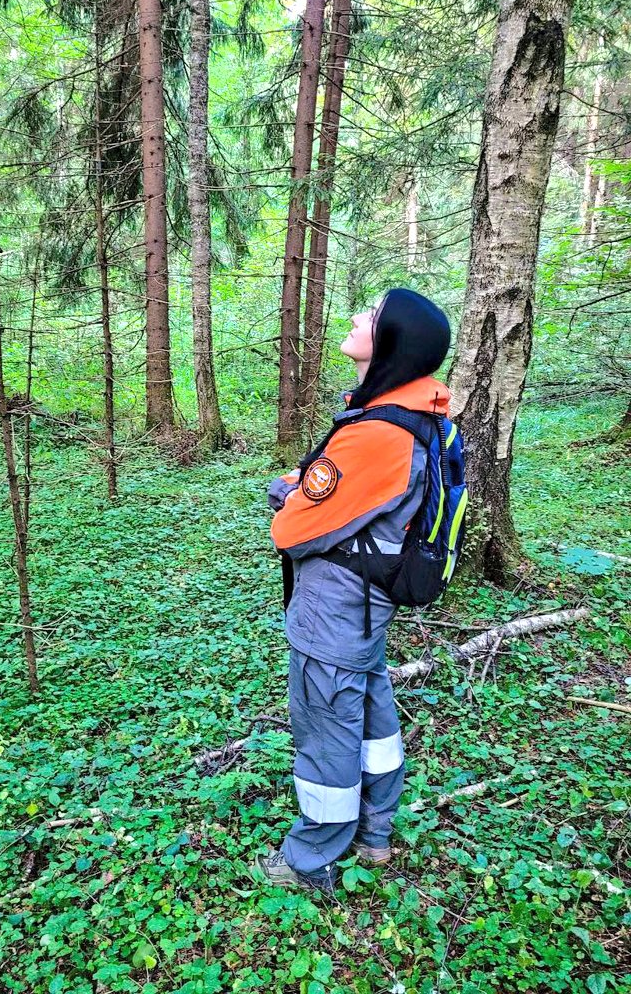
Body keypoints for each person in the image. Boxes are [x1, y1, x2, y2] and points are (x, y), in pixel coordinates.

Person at [256, 287, 452, 895]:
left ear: (391, 342)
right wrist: (302, 484)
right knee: (371, 715)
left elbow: (294, 529)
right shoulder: (409, 415)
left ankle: (310, 859)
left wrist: (289, 499)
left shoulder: (379, 435)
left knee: (326, 727)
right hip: (365, 609)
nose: (354, 318)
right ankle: (376, 834)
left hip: (335, 610)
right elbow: (340, 489)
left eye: (370, 316)